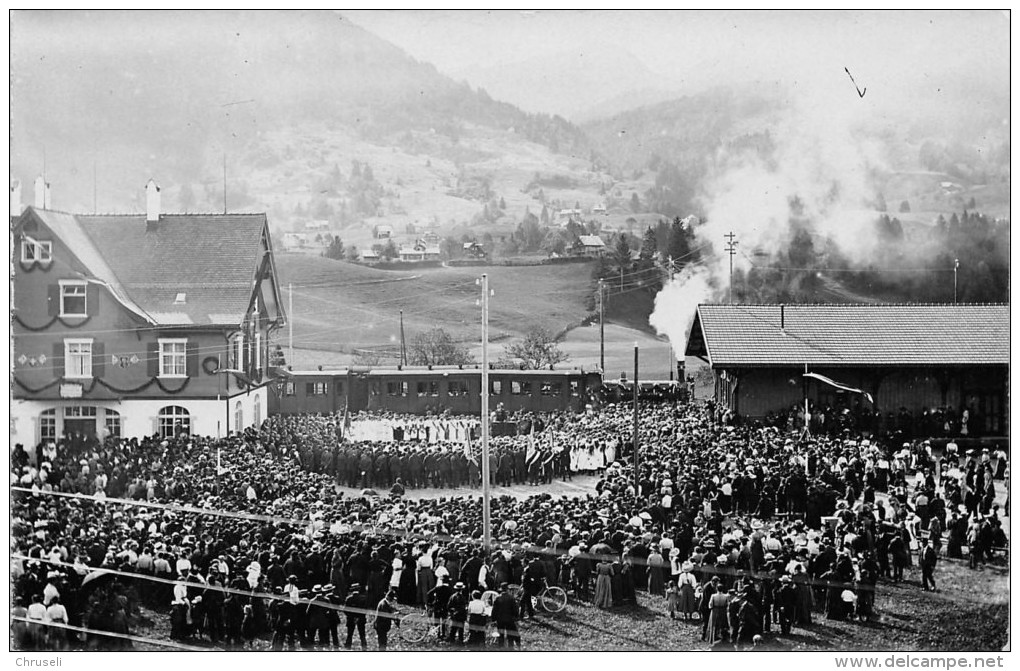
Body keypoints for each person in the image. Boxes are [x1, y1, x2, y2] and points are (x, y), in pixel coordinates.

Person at [491, 582, 521, 649]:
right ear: (507, 589)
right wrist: (516, 616)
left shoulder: (497, 598)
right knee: (510, 633)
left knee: (501, 633)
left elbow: (494, 610)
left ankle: (501, 646)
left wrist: (493, 619)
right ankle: (510, 646)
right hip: (509, 619)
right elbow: (515, 609)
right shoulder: (511, 598)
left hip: (500, 619)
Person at [343, 583, 368, 650]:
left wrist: (352, 617)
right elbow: (365, 610)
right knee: (362, 635)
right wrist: (359, 617)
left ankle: (348, 648)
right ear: (359, 589)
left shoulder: (348, 599)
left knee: (349, 635)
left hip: (351, 619)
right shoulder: (363, 598)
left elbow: (345, 610)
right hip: (361, 619)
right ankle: (364, 648)